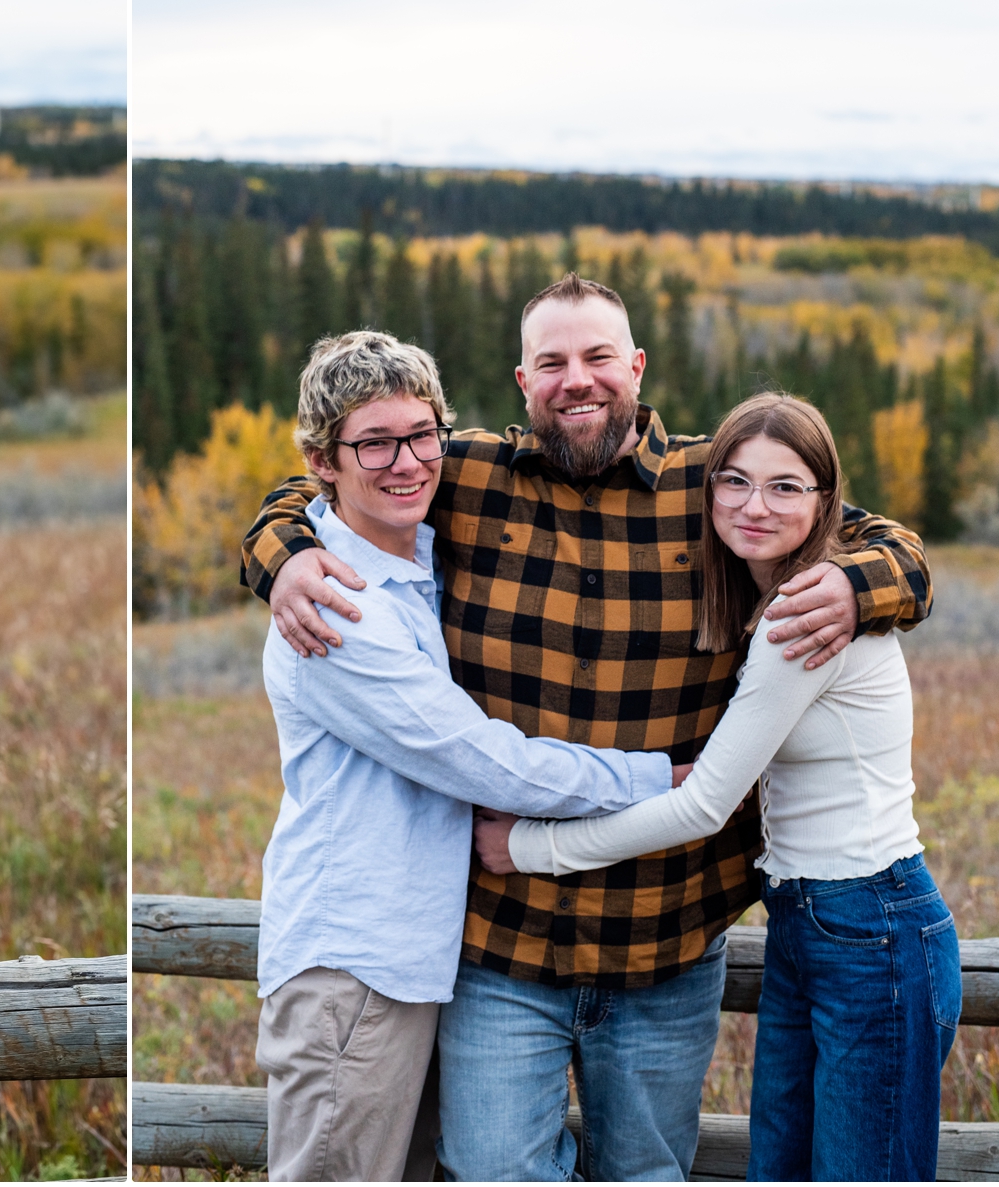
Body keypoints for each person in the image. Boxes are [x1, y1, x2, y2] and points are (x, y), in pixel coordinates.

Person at [241, 273, 933, 1180]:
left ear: (636, 366)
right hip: (503, 947)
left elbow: (896, 545)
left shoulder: (713, 486)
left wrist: (853, 583)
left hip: (665, 937)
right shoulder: (466, 476)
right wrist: (280, 550)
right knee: (493, 1172)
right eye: (553, 362)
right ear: (522, 380)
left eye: (600, 357)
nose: (579, 380)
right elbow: (331, 481)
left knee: (646, 1172)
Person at [476, 392, 959, 1182]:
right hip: (809, 921)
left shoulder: (801, 616)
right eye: (733, 481)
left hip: (873, 920)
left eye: (784, 486)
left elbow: (702, 803)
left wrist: (526, 843)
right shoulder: (770, 601)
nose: (753, 505)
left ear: (825, 498)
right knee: (779, 1165)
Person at [255, 331, 684, 1182]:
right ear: (322, 459)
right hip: (354, 963)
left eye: (423, 435)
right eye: (374, 442)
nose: (407, 461)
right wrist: (650, 779)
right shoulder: (338, 607)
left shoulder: (418, 554)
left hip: (417, 963)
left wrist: (276, 542)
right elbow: (482, 760)